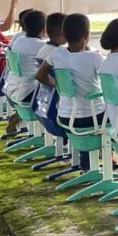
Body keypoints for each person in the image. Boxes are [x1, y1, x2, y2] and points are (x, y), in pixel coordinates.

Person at [35, 14, 105, 170]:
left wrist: (57, 84)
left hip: (65, 116)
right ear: (87, 36)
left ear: (64, 35)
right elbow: (112, 80)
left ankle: (87, 164)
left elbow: (40, 74)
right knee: (116, 112)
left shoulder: (57, 53)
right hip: (93, 118)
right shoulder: (95, 57)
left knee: (88, 110)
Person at [5, 10, 47, 106]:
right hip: (26, 95)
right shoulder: (42, 45)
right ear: (44, 29)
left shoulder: (19, 40)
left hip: (11, 91)